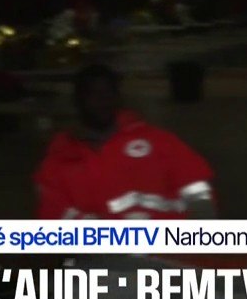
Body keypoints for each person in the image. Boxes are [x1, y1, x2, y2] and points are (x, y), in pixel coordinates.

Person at [34, 64, 217, 220]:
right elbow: (54, 217)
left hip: (171, 253)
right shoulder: (59, 161)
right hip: (102, 256)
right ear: (77, 101)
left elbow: (196, 187)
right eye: (93, 94)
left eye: (108, 93)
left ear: (118, 97)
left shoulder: (159, 142)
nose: (102, 100)